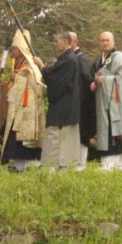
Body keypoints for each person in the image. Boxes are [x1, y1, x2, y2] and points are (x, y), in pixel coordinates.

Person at [91, 31, 122, 171]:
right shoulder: (99, 59)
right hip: (103, 102)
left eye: (107, 40)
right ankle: (112, 163)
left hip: (117, 102)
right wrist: (94, 83)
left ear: (113, 42)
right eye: (102, 40)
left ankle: (115, 164)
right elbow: (94, 76)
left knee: (116, 132)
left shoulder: (120, 57)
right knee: (106, 131)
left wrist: (104, 80)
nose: (105, 43)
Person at [1, 28, 45, 171]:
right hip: (18, 106)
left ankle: (30, 165)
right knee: (16, 136)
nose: (13, 52)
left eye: (15, 49)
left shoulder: (30, 65)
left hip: (28, 105)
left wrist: (18, 77)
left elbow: (36, 82)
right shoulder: (18, 64)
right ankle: (19, 165)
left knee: (26, 137)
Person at [42, 32, 82, 171]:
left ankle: (62, 165)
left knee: (64, 136)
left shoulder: (70, 59)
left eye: (57, 40)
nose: (55, 44)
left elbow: (56, 79)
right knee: (56, 134)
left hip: (65, 104)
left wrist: (42, 67)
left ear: (66, 41)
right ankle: (53, 164)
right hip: (62, 103)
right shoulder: (66, 58)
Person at [70, 32, 96, 170]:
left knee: (82, 134)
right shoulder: (70, 58)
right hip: (73, 103)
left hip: (82, 104)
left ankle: (81, 162)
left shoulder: (82, 59)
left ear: (74, 42)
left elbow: (88, 81)